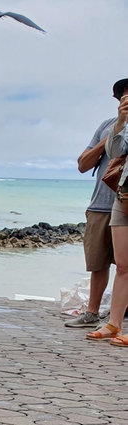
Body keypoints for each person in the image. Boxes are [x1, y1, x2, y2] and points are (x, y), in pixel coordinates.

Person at [67, 80, 125, 328]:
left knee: (125, 264)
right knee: (97, 263)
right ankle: (92, 312)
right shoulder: (107, 126)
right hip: (101, 203)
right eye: (124, 95)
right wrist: (113, 132)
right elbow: (82, 165)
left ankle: (117, 316)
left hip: (125, 203)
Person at [87, 78, 128, 346]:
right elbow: (115, 151)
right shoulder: (121, 123)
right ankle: (114, 324)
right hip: (124, 195)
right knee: (124, 265)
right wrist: (121, 122)